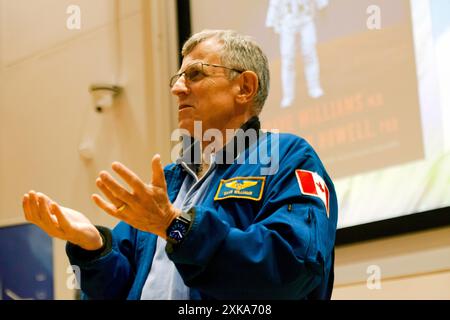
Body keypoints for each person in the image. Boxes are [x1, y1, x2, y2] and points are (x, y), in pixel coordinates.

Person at [22, 29, 338, 300]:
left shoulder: (287, 158)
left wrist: (177, 227)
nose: (177, 88)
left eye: (196, 74)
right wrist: (92, 246)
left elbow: (294, 268)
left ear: (244, 87)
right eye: (178, 77)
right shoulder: (169, 182)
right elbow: (117, 289)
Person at [266, 0, 328, 107]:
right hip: (287, 23)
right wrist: (271, 22)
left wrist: (322, 6)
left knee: (309, 54)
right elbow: (274, 4)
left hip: (306, 19)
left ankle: (314, 88)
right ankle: (288, 96)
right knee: (288, 60)